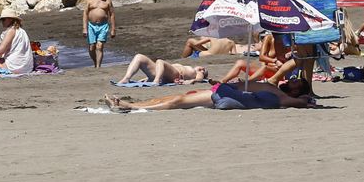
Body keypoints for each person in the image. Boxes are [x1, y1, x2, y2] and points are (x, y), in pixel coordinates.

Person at [103, 77, 315, 113]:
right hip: (228, 91)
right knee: (171, 98)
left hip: (227, 96)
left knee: (178, 101)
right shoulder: (273, 87)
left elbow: (304, 103)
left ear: (298, 90)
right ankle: (136, 103)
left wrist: (308, 100)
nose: (292, 80)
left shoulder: (285, 98)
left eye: (297, 82)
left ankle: (130, 107)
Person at [82, 0, 115, 68]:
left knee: (99, 46)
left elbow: (112, 14)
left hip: (103, 26)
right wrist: (84, 28)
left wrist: (113, 29)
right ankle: (95, 62)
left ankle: (98, 66)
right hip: (91, 26)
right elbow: (85, 13)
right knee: (92, 47)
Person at [118, 55, 210, 85]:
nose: (202, 68)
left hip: (175, 75)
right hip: (162, 72)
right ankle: (126, 78)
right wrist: (146, 78)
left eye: (203, 70)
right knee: (139, 57)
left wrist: (190, 81)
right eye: (202, 68)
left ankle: (156, 80)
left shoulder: (198, 72)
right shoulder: (190, 68)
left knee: (160, 61)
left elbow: (199, 79)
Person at [181, 36, 250, 57]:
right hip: (219, 55)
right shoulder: (231, 42)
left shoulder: (212, 38)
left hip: (207, 54)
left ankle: (183, 58)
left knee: (190, 41)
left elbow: (196, 44)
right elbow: (234, 55)